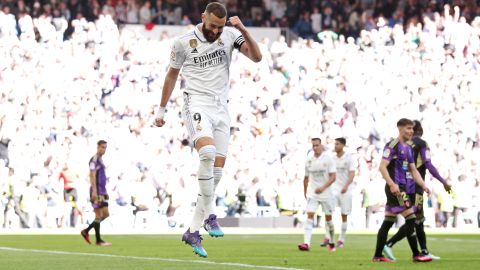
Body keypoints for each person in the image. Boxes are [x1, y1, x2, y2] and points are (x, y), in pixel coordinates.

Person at [153, 2, 262, 258]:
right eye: (212, 25)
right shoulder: (183, 42)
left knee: (215, 176)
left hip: (222, 108)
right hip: (196, 102)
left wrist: (242, 29)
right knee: (207, 153)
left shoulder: (230, 34)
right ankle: (211, 215)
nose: (215, 30)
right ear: (203, 17)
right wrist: (161, 110)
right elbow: (171, 75)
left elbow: (256, 57)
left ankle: (192, 231)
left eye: (220, 26)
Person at [383, 120, 451, 260]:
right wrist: (443, 181)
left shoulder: (405, 144)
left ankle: (422, 251)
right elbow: (429, 165)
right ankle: (394, 245)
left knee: (414, 219)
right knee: (415, 219)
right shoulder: (421, 144)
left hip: (404, 184)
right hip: (415, 186)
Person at [372, 118, 432, 263]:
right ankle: (416, 254)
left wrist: (423, 185)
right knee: (411, 218)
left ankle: (378, 255)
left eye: (412, 129)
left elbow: (413, 169)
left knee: (388, 221)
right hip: (396, 188)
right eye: (408, 128)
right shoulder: (392, 145)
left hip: (403, 187)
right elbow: (382, 167)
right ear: (400, 129)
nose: (411, 131)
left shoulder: (409, 148)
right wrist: (392, 184)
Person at [298, 138, 336, 252]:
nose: (315, 148)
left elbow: (333, 177)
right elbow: (306, 178)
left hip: (326, 194)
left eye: (317, 145)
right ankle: (306, 243)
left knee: (328, 220)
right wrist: (305, 191)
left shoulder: (328, 159)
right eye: (313, 146)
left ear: (321, 145)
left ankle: (332, 241)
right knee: (309, 216)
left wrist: (323, 187)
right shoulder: (309, 160)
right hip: (313, 193)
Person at [321, 137, 355, 248]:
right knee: (328, 213)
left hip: (345, 190)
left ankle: (341, 239)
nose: (335, 146)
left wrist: (346, 186)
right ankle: (328, 237)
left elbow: (352, 173)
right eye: (334, 144)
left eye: (337, 144)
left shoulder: (349, 158)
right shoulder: (332, 159)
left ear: (343, 145)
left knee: (344, 215)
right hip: (333, 190)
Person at [81, 140, 111, 246]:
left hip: (103, 191)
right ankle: (98, 240)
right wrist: (94, 190)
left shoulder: (100, 160)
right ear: (97, 147)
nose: (103, 149)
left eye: (105, 147)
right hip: (97, 191)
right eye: (102, 147)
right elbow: (92, 175)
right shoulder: (94, 160)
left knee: (106, 214)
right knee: (98, 215)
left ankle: (86, 231)